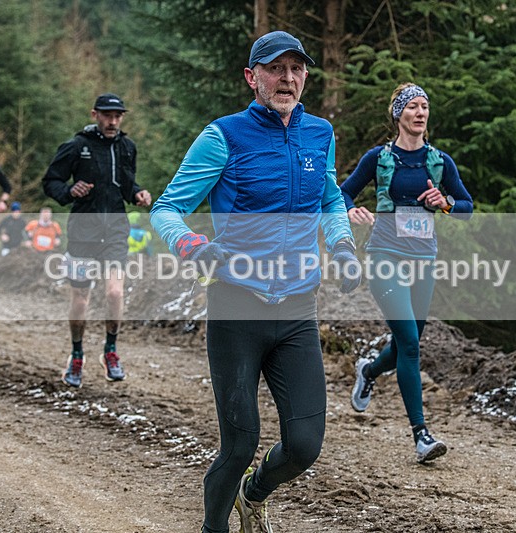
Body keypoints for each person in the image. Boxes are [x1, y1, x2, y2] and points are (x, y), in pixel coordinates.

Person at [151, 30, 361, 533]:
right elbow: (167, 209)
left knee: (305, 445)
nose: (287, 78)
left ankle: (254, 493)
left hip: (296, 310)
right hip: (236, 307)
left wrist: (342, 245)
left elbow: (329, 198)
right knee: (239, 443)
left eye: (297, 68)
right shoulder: (223, 136)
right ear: (252, 77)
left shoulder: (320, 134)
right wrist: (194, 247)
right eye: (275, 68)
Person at [341, 82, 473, 463]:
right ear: (398, 114)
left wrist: (444, 202)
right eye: (413, 107)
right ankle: (421, 436)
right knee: (411, 344)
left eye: (424, 107)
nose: (420, 113)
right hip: (384, 255)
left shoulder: (439, 161)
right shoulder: (378, 158)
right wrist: (352, 212)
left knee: (407, 340)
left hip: (423, 260)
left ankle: (368, 370)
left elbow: (466, 206)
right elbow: (343, 193)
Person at [42, 93, 151, 388]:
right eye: (107, 115)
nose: (113, 121)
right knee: (81, 298)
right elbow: (50, 181)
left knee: (115, 292)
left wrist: (139, 193)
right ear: (95, 115)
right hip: (83, 231)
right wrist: (68, 191)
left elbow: (126, 185)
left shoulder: (127, 147)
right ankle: (77, 354)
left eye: (118, 116)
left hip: (115, 229)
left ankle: (110, 351)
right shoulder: (77, 146)